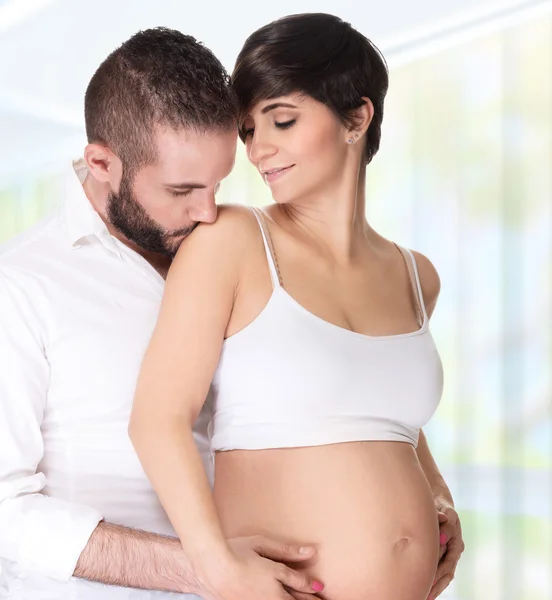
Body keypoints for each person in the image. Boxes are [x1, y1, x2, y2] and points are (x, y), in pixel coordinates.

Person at [129, 13, 464, 600]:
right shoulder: (231, 242)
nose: (260, 151)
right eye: (249, 131)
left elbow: (387, 416)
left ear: (357, 117)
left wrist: (438, 493)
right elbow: (157, 421)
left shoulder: (416, 277)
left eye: (281, 120)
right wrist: (217, 567)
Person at [0, 28, 324, 600]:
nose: (206, 211)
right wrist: (206, 568)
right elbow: (5, 512)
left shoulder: (232, 254)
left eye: (218, 183)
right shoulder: (21, 285)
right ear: (102, 162)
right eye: (181, 189)